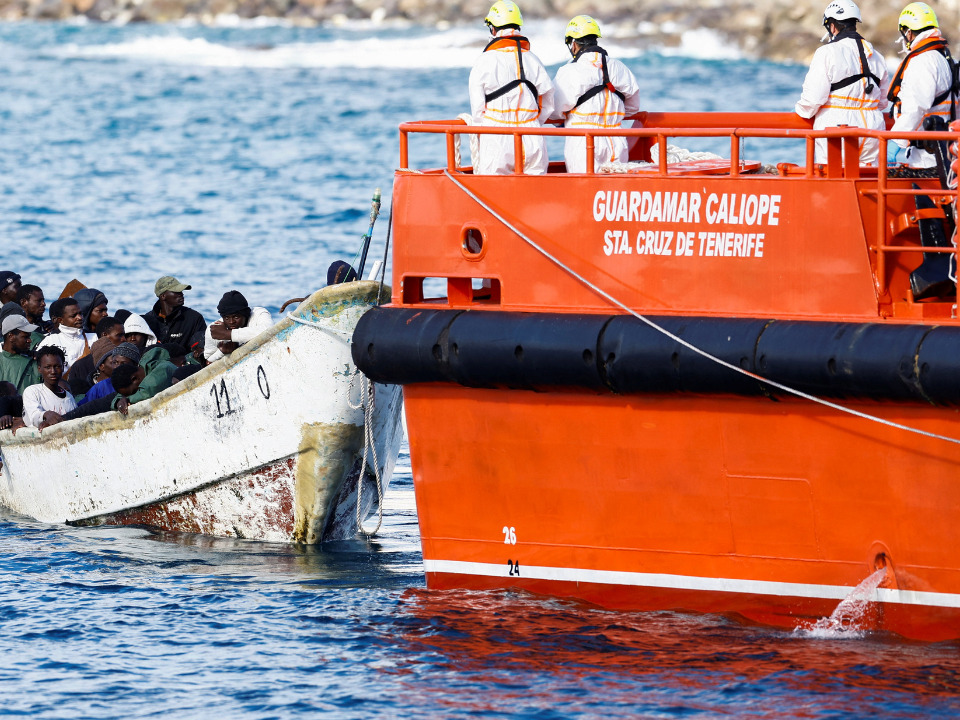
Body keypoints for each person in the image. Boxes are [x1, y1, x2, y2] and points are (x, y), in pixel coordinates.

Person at [794, 0, 888, 165]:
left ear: (832, 26)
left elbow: (814, 98)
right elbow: (883, 102)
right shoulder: (878, 56)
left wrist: (801, 113)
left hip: (837, 125)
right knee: (870, 179)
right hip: (873, 126)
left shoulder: (826, 52)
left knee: (833, 178)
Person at [468, 1, 555, 175]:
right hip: (532, 136)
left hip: (497, 136)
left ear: (492, 29)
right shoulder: (534, 60)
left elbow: (478, 112)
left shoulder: (484, 62)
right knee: (535, 194)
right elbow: (548, 104)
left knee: (494, 193)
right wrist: (532, 122)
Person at [550, 15, 641, 173]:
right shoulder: (620, 68)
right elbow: (633, 107)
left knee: (585, 192)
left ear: (573, 44)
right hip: (617, 142)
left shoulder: (569, 71)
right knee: (613, 195)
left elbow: (553, 111)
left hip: (583, 144)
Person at [887, 2, 958, 167]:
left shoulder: (921, 61)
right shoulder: (948, 60)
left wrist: (895, 141)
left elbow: (916, 108)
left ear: (909, 32)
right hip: (949, 152)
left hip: (925, 157)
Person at [204, 291, 273, 363]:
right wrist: (222, 352)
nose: (231, 322)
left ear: (245, 314)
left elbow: (270, 331)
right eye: (227, 318)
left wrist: (228, 334)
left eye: (236, 317)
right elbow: (208, 361)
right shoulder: (214, 330)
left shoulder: (258, 314)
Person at [68, 316, 125, 397]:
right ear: (104, 335)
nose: (124, 339)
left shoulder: (126, 358)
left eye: (124, 335)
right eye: (119, 335)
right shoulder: (80, 366)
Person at [21, 346, 77, 429]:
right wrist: (46, 414)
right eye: (48, 367)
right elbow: (34, 415)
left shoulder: (69, 397)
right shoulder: (32, 391)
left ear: (62, 367)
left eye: (57, 366)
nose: (53, 371)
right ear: (39, 369)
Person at [144, 276, 207, 347]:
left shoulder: (195, 318)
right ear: (163, 296)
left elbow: (201, 347)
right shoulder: (147, 321)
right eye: (176, 292)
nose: (182, 294)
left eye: (181, 291)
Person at [35, 298, 88, 375]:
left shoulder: (93, 337)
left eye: (81, 313)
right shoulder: (50, 341)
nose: (80, 318)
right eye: (73, 316)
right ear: (60, 320)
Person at [0, 315, 40, 395]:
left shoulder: (34, 360)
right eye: (25, 337)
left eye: (29, 336)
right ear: (11, 336)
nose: (29, 340)